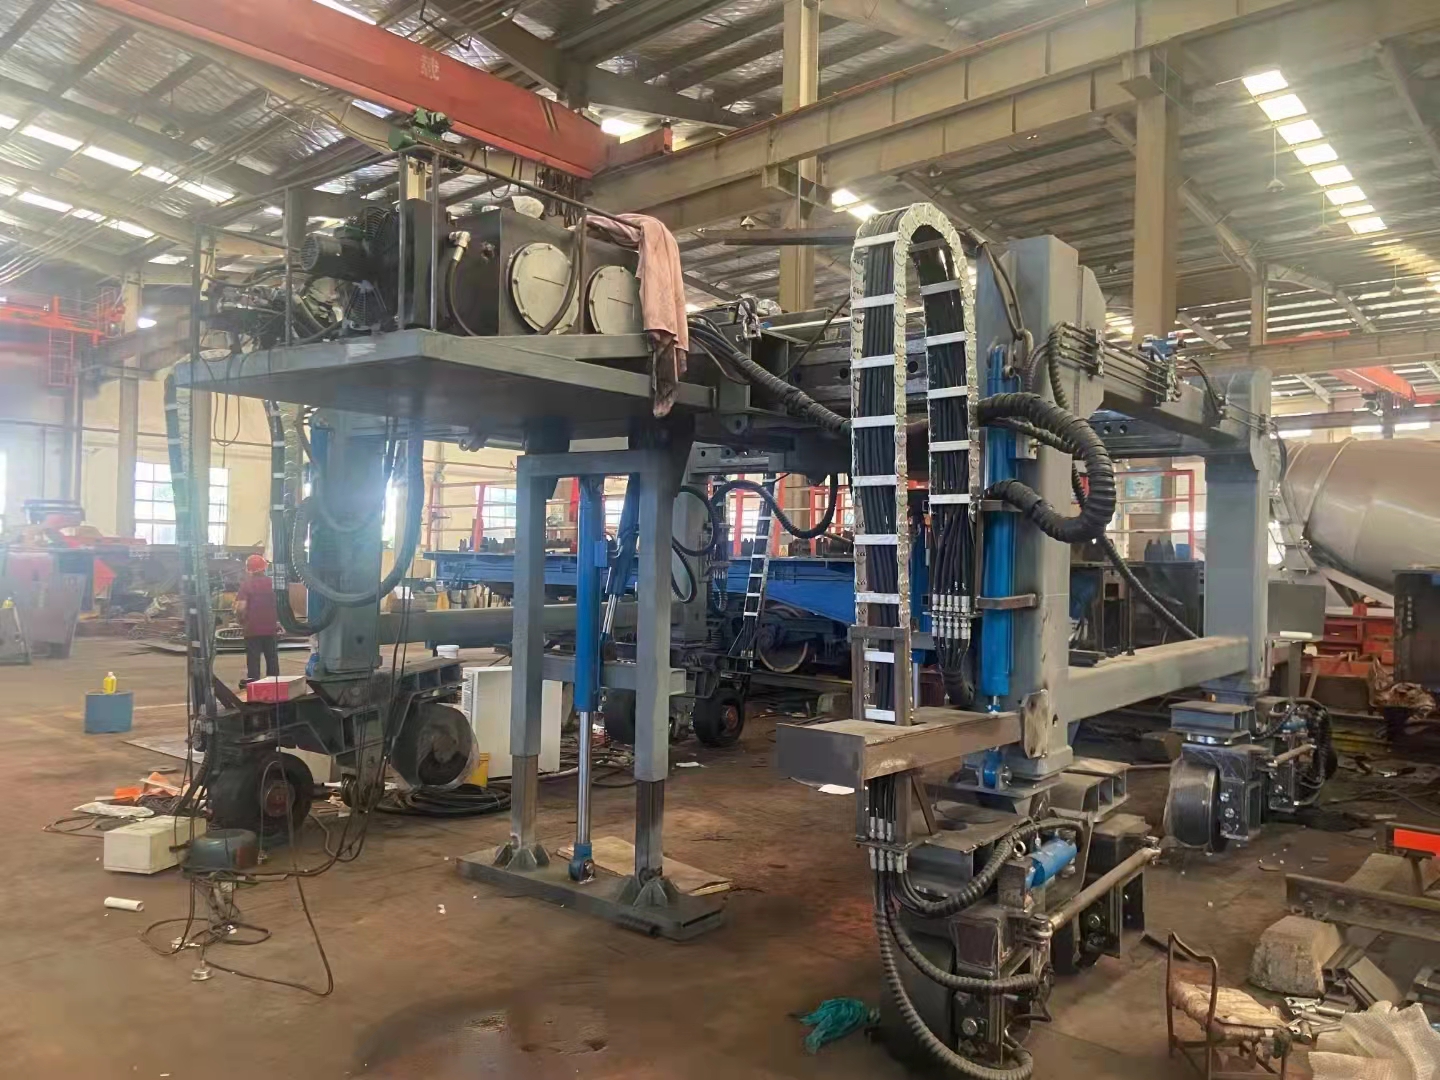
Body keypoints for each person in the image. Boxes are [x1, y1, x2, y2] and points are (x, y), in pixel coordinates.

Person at [235, 554, 280, 687]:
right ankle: (274, 687)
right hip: (271, 628)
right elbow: (280, 604)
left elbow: (241, 607)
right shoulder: (273, 584)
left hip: (252, 629)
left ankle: (254, 687)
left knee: (253, 660)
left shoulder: (246, 585)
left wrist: (240, 620)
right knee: (272, 659)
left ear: (249, 570)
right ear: (264, 568)